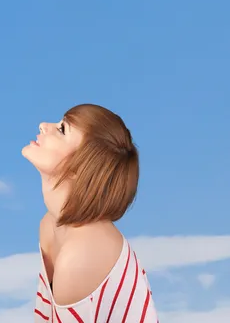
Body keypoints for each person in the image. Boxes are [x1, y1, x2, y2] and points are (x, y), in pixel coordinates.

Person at [22, 104, 159, 322]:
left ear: (81, 168)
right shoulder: (50, 226)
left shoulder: (78, 256)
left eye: (62, 130)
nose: (43, 126)